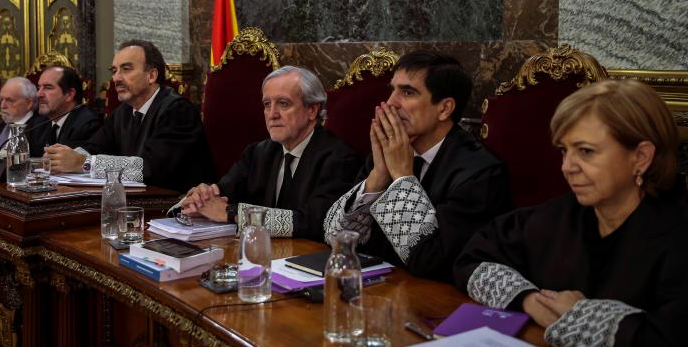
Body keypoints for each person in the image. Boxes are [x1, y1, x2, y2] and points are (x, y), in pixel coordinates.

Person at [454, 80, 688, 347]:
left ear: (640, 157)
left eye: (586, 151)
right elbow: (473, 258)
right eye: (563, 150)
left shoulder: (684, 238)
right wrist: (529, 299)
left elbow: (674, 341)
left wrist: (581, 315)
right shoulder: (558, 215)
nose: (567, 167)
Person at [324, 51, 509, 280]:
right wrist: (379, 174)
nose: (391, 103)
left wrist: (402, 176)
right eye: (392, 90)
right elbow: (336, 239)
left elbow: (432, 262)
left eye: (408, 92)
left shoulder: (480, 173)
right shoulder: (387, 152)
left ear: (444, 109)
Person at [180, 66, 361, 241]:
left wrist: (232, 213)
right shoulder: (257, 153)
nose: (272, 114)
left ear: (312, 110)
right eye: (267, 104)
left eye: (283, 103)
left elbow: (315, 222)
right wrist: (199, 200)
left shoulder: (339, 159)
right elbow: (222, 192)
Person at [45, 40, 214, 191]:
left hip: (178, 208)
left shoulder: (177, 111)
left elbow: (150, 168)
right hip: (138, 201)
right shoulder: (124, 111)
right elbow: (95, 147)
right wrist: (62, 157)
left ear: (151, 75)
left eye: (126, 69)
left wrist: (84, 163)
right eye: (114, 70)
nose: (116, 78)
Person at [36, 66, 100, 148]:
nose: (38, 94)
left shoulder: (86, 126)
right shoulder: (41, 124)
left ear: (69, 94)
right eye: (39, 88)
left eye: (48, 87)